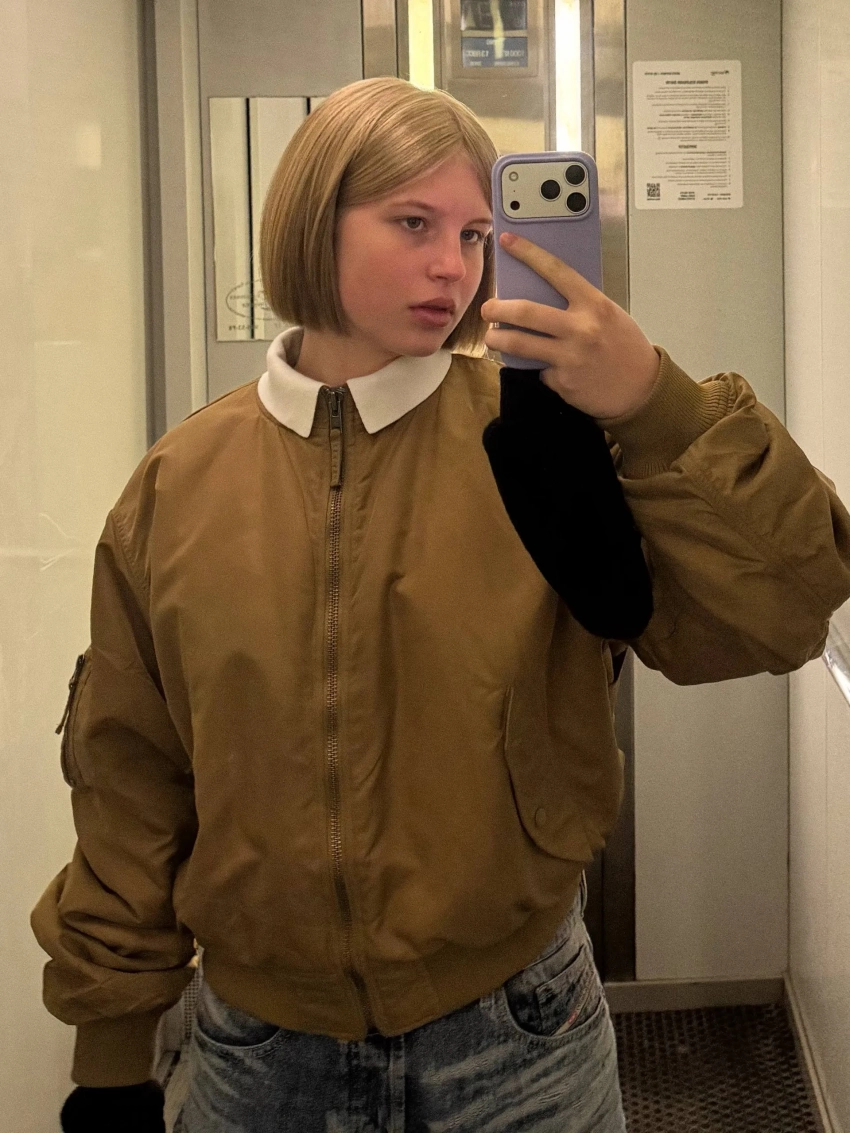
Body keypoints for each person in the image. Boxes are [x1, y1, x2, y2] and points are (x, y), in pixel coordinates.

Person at [32, 77, 850, 1133]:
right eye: (412, 223)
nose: (453, 268)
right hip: (257, 1053)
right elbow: (130, 774)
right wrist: (109, 1052)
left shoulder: (539, 449)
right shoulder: (178, 483)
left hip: (522, 1036)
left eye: (472, 234)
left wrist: (656, 401)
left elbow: (782, 613)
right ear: (311, 219)